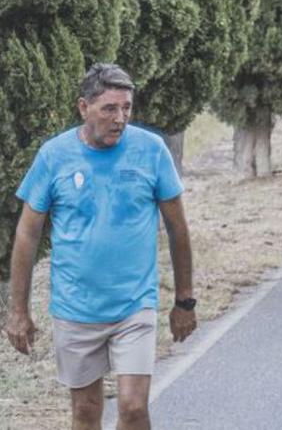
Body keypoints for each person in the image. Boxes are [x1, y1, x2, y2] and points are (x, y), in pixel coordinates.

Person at [5, 63, 195, 430]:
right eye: (109, 108)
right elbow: (27, 235)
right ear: (83, 107)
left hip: (134, 306)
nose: (120, 118)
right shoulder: (54, 156)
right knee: (86, 411)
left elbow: (178, 228)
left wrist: (184, 300)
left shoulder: (151, 150)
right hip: (75, 308)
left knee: (134, 407)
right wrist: (18, 310)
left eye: (126, 108)